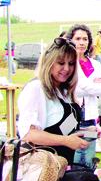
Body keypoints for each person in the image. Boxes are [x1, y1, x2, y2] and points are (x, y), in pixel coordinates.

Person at [17, 37, 89, 165]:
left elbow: (63, 130)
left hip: (64, 167)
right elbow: (29, 134)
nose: (66, 69)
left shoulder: (64, 91)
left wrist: (86, 132)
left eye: (71, 64)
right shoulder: (35, 89)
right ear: (49, 62)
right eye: (61, 63)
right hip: (42, 171)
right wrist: (65, 141)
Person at [66, 24, 101, 168]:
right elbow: (74, 89)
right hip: (72, 117)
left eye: (85, 39)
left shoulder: (95, 64)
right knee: (73, 158)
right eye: (77, 38)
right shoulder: (67, 63)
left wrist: (84, 85)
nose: (82, 42)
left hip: (90, 117)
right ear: (71, 40)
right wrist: (91, 85)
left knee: (89, 159)